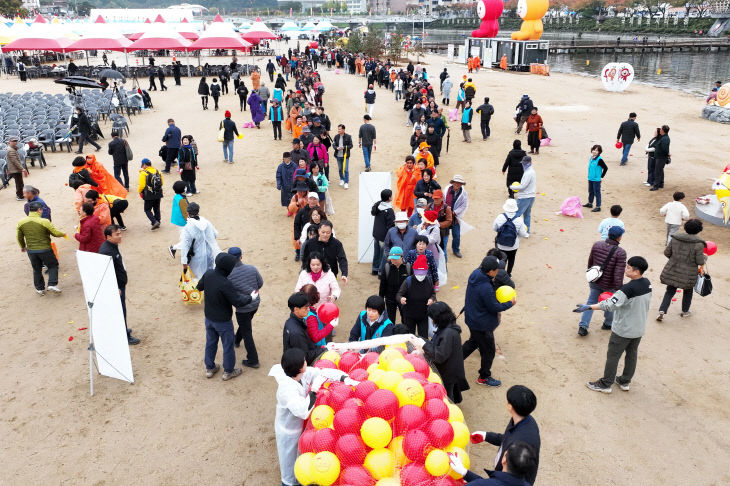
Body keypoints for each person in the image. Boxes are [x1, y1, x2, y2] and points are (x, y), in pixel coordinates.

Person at [269, 348, 356, 486]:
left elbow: (322, 373)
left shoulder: (299, 374)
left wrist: (344, 378)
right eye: (304, 361)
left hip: (298, 426)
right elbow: (302, 411)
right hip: (288, 430)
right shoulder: (286, 389)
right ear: (299, 368)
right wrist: (314, 390)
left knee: (300, 456)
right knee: (289, 465)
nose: (306, 362)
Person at [576, 256, 652, 394]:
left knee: (613, 356)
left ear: (636, 271)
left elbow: (609, 304)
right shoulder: (647, 284)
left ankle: (606, 383)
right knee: (632, 355)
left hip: (623, 329)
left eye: (628, 267)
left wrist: (588, 307)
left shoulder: (626, 289)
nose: (625, 269)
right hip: (638, 328)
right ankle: (624, 381)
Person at [197, 253, 254, 381]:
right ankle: (228, 371)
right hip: (223, 321)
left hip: (209, 318)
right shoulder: (225, 283)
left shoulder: (208, 274)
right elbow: (238, 301)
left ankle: (210, 368)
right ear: (227, 268)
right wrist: (251, 297)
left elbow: (199, 287)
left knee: (210, 342)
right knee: (228, 345)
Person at [469, 385, 541, 484]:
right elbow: (507, 438)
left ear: (510, 406)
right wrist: (486, 436)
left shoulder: (522, 442)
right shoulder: (524, 420)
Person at [462, 256, 516, 387]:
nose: (498, 271)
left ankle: (452, 359)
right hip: (482, 324)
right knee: (489, 351)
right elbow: (494, 307)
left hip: (473, 318)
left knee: (473, 342)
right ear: (490, 271)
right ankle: (484, 377)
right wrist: (510, 303)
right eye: (496, 269)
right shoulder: (485, 287)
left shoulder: (475, 274)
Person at [408, 302, 468, 403]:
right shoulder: (448, 326)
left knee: (447, 396)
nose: (431, 320)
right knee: (452, 388)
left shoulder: (448, 333)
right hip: (452, 368)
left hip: (447, 372)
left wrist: (424, 345)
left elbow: (439, 356)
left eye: (432, 318)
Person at [577, 226, 627, 336]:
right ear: (619, 237)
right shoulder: (620, 252)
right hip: (609, 285)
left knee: (591, 302)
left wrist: (591, 275)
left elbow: (590, 262)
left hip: (595, 280)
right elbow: (618, 273)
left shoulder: (597, 245)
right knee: (609, 304)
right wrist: (619, 288)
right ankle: (608, 323)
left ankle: (583, 326)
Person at [656, 219, 707, 321]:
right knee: (688, 292)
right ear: (699, 230)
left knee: (670, 291)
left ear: (685, 227)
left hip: (673, 269)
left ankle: (662, 311)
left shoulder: (675, 238)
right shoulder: (699, 244)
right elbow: (700, 261)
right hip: (689, 274)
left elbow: (667, 253)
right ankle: (685, 311)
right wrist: (705, 257)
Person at [98, 225, 140, 344]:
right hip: (116, 288)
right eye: (117, 234)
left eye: (120, 233)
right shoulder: (106, 252)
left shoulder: (112, 246)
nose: (120, 236)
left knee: (122, 309)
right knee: (120, 311)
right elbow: (105, 273)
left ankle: (122, 330)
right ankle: (124, 337)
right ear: (108, 237)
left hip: (120, 285)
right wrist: (115, 288)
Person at [16, 201, 66, 295]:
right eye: (42, 209)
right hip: (45, 249)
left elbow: (19, 237)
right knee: (53, 265)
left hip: (31, 250)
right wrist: (63, 234)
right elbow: (55, 233)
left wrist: (23, 246)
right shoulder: (44, 221)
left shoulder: (21, 222)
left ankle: (39, 288)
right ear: (39, 210)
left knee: (36, 269)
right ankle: (52, 284)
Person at [227, 247, 263, 367]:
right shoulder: (252, 268)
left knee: (247, 332)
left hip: (242, 307)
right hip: (255, 303)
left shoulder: (228, 275)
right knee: (245, 324)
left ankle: (253, 360)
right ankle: (236, 340)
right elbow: (260, 283)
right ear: (241, 257)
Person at [395, 254, 435, 338]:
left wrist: (431, 299)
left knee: (423, 338)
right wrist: (401, 299)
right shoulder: (408, 281)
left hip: (424, 315)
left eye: (422, 274)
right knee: (409, 337)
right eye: (418, 273)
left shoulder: (429, 280)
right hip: (409, 315)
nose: (420, 276)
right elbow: (399, 294)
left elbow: (433, 293)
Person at [179, 202, 221, 280]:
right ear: (198, 211)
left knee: (198, 278)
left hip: (197, 257)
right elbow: (215, 234)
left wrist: (184, 261)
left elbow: (185, 246)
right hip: (209, 253)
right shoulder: (207, 222)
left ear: (188, 213)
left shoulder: (187, 227)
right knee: (210, 275)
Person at [283, 292, 324, 364]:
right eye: (305, 308)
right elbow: (305, 357)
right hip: (297, 366)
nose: (308, 309)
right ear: (296, 309)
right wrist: (324, 350)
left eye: (309, 306)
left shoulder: (291, 321)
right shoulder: (296, 333)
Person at [493, 199, 530, 275]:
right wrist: (525, 235)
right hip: (513, 245)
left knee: (502, 259)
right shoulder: (519, 219)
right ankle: (508, 274)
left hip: (501, 244)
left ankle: (500, 274)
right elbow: (522, 233)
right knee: (511, 259)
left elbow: (494, 228)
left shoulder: (500, 217)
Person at [378, 246, 411, 325]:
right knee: (390, 320)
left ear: (401, 257)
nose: (393, 260)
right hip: (390, 299)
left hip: (403, 299)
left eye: (395, 258)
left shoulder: (408, 267)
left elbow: (411, 284)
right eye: (392, 258)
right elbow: (383, 285)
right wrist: (381, 298)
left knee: (405, 319)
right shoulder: (387, 267)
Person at [371, 189, 395, 275]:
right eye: (391, 195)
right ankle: (381, 272)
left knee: (376, 252)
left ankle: (375, 269)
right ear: (389, 198)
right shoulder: (389, 210)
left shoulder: (378, 205)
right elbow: (391, 226)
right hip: (383, 236)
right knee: (383, 254)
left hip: (376, 234)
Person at [511, 156, 536, 233]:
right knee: (527, 215)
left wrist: (513, 187)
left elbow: (523, 186)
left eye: (524, 163)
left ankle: (512, 231)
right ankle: (526, 231)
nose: (523, 165)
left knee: (515, 214)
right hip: (531, 196)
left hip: (525, 197)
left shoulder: (528, 173)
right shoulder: (532, 171)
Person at [138, 158, 164, 230]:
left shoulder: (143, 173)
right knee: (156, 208)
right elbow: (162, 182)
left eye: (143, 165)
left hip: (149, 194)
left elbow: (142, 185)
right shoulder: (157, 171)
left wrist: (139, 191)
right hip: (158, 193)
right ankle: (158, 221)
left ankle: (154, 221)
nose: (142, 166)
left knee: (147, 209)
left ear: (145, 165)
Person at [582, 144, 608, 212]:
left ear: (599, 152)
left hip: (596, 179)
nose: (595, 151)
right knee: (590, 191)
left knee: (597, 193)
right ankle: (590, 203)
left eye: (597, 150)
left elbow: (605, 168)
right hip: (590, 178)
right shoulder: (591, 157)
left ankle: (598, 206)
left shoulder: (599, 160)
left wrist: (601, 177)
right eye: (594, 149)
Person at [650, 125, 670, 191]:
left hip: (661, 157)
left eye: (661, 129)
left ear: (663, 131)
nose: (660, 130)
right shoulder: (664, 137)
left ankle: (656, 186)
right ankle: (661, 183)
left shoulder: (665, 138)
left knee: (657, 171)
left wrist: (667, 155)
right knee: (660, 170)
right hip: (660, 157)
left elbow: (665, 149)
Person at [333, 124, 353, 189]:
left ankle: (346, 182)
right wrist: (336, 148)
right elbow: (333, 145)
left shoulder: (348, 136)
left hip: (345, 156)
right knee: (340, 169)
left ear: (343, 130)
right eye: (338, 129)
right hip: (338, 155)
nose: (338, 130)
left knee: (346, 169)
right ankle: (342, 179)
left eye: (340, 129)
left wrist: (344, 147)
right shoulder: (336, 136)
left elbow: (351, 145)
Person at [6, 136, 25, 201]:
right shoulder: (11, 150)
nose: (15, 142)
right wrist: (21, 168)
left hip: (14, 169)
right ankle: (19, 196)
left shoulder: (12, 148)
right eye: (13, 141)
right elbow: (15, 161)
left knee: (19, 183)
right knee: (19, 183)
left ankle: (19, 195)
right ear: (10, 142)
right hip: (15, 170)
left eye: (16, 141)